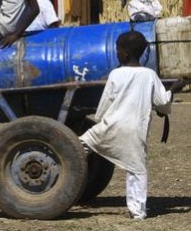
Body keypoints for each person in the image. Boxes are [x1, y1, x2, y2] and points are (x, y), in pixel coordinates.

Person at [79, 31, 185, 220]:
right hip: (135, 130)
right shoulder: (149, 75)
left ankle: (59, 184)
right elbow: (162, 104)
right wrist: (173, 90)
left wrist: (101, 119)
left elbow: (104, 107)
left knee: (79, 147)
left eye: (118, 50)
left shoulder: (115, 74)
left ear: (125, 52)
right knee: (137, 169)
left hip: (110, 126)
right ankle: (137, 212)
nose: (116, 53)